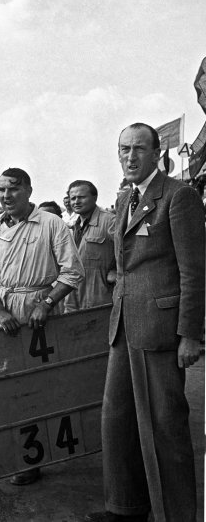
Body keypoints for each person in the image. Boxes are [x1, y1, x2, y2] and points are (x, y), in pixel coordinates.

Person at [85, 123, 205, 522]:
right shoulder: (124, 199)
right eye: (123, 149)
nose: (130, 157)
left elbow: (194, 272)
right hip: (124, 325)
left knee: (166, 427)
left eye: (139, 149)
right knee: (116, 421)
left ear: (157, 153)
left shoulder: (179, 196)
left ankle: (177, 513)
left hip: (160, 330)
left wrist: (191, 334)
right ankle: (125, 507)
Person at [0, 167, 84, 485]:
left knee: (36, 388)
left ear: (29, 191)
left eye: (13, 189)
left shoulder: (51, 224)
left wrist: (46, 303)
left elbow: (72, 272)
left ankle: (30, 459)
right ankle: (0, 453)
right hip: (1, 314)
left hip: (38, 315)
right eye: (1, 190)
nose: (6, 196)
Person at [64, 180, 115, 312]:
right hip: (74, 297)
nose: (76, 202)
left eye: (81, 197)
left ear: (95, 197)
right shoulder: (75, 225)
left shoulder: (110, 221)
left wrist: (116, 271)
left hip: (101, 298)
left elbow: (130, 250)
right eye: (73, 198)